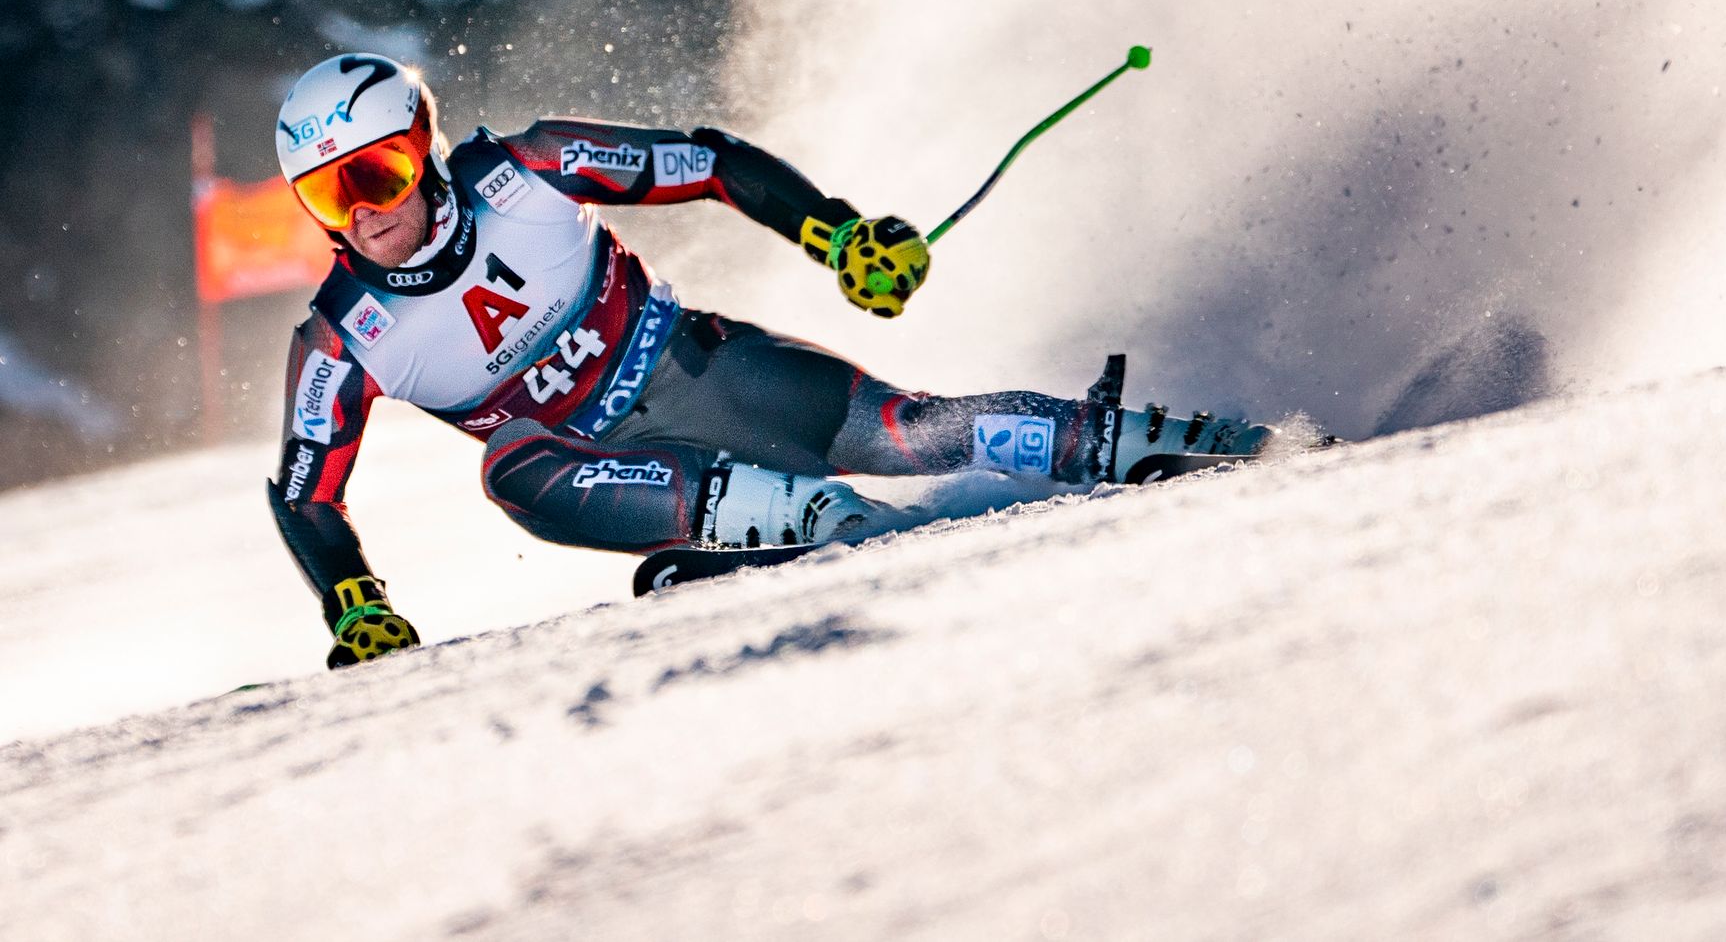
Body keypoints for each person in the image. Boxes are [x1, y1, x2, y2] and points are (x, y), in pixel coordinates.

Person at [269, 53, 1270, 667]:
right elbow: (308, 492)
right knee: (510, 466)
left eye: (376, 173)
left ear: (422, 148)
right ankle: (809, 519)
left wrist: (837, 235)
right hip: (615, 470)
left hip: (706, 371)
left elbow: (704, 163)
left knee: (906, 432)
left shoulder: (526, 168)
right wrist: (355, 602)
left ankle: (1142, 440)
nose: (362, 212)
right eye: (326, 194)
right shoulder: (342, 335)